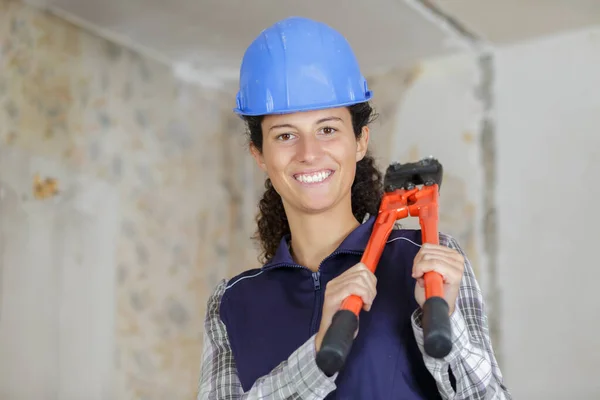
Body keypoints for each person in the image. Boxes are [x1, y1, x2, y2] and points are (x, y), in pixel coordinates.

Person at [197, 16, 511, 400]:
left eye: (327, 129)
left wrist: (446, 326)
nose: (309, 153)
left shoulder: (426, 259)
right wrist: (315, 357)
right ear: (259, 154)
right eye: (285, 135)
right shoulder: (232, 302)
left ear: (360, 140)